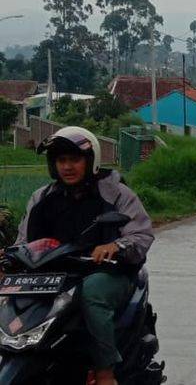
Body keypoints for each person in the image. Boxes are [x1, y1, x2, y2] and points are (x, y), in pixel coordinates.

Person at [14, 126, 154, 385]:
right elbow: (23, 241)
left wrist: (117, 246)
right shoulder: (42, 197)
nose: (67, 167)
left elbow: (141, 235)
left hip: (107, 272)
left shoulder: (116, 193)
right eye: (61, 160)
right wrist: (8, 258)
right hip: (53, 276)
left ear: (91, 161)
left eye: (74, 160)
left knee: (92, 291)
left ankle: (105, 371)